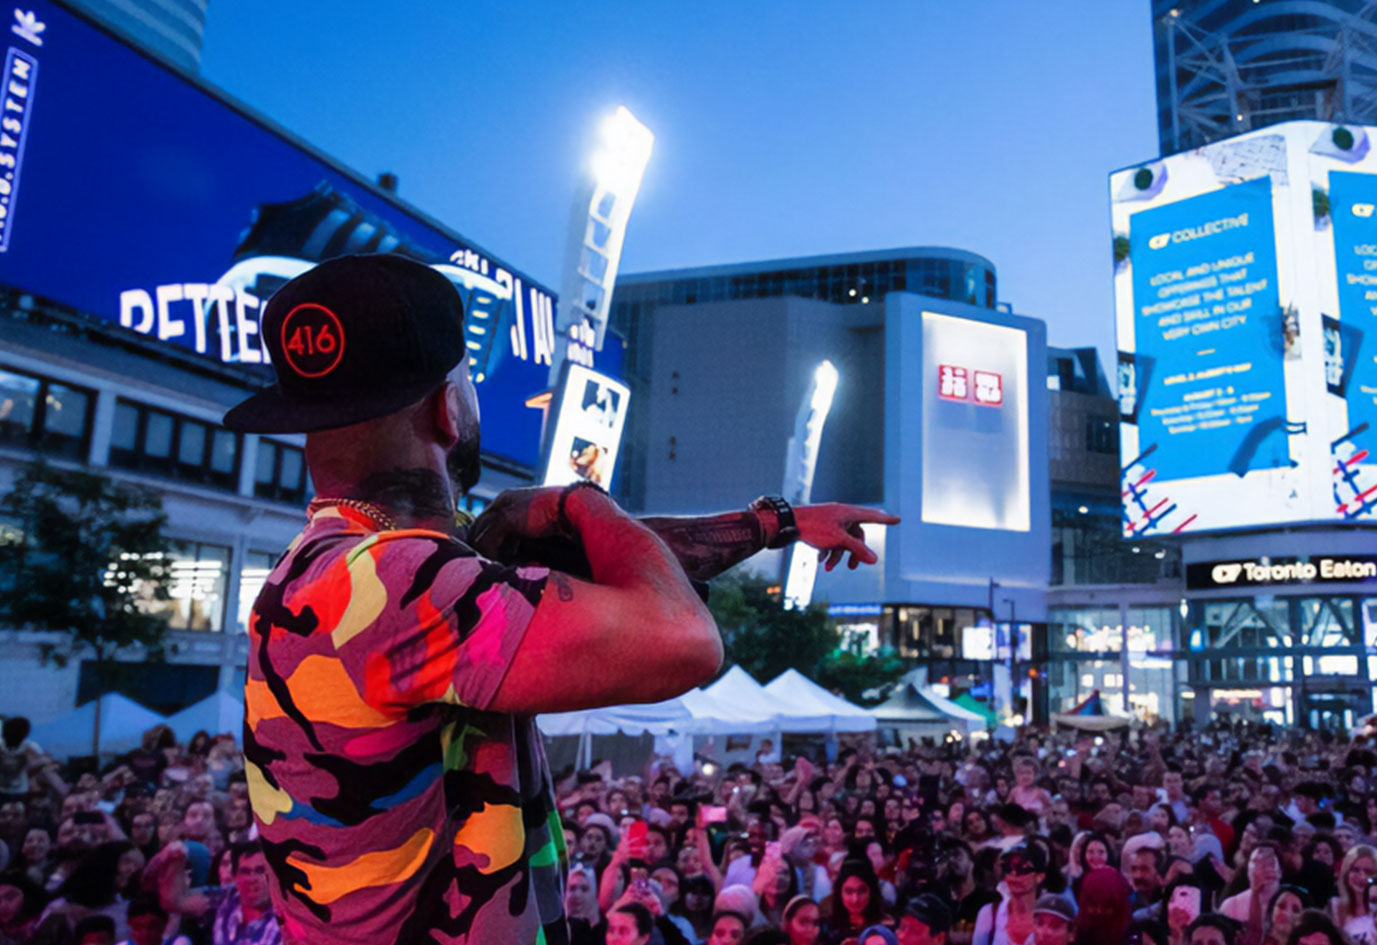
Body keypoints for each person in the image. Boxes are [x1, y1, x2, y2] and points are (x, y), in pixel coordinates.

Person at [224, 255, 896, 944]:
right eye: (468, 382)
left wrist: (775, 524)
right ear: (446, 408)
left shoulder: (355, 567)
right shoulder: (398, 580)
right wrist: (578, 497)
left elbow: (628, 561)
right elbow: (683, 636)